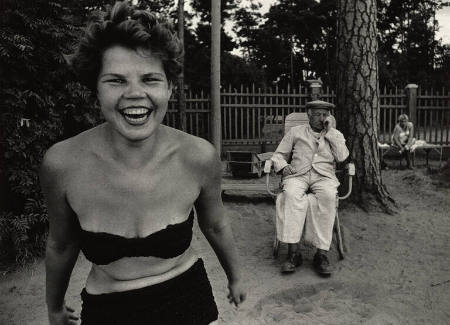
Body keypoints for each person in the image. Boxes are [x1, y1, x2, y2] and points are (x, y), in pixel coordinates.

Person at [40, 2, 246, 324]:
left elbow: (216, 224)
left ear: (170, 88)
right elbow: (61, 244)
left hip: (188, 300)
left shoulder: (199, 156)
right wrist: (53, 308)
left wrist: (236, 277)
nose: (135, 93)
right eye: (116, 80)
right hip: (108, 308)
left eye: (150, 79)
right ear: (96, 88)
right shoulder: (63, 164)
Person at [270, 100, 349, 277]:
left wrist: (330, 133)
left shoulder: (333, 134)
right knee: (290, 195)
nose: (322, 118)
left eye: (325, 115)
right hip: (298, 174)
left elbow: (342, 156)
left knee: (328, 197)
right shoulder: (296, 132)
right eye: (318, 114)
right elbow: (278, 154)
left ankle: (321, 255)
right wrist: (283, 166)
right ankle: (293, 254)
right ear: (309, 115)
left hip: (324, 176)